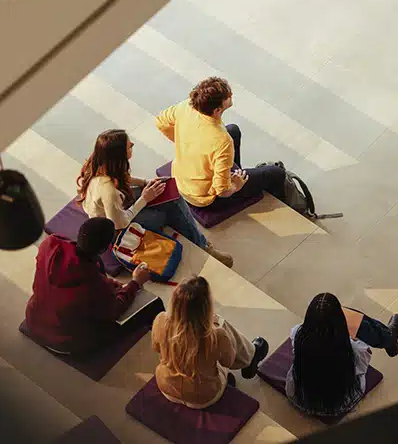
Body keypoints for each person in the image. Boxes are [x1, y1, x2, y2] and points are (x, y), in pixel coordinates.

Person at [77, 129, 233, 267]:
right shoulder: (108, 190)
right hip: (115, 229)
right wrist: (145, 198)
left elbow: (123, 177)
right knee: (164, 213)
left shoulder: (101, 164)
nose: (132, 144)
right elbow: (119, 224)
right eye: (128, 145)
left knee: (167, 191)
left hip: (115, 207)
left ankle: (198, 239)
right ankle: (203, 245)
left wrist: (145, 183)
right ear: (119, 155)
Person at [154, 76, 287, 210]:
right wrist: (236, 186)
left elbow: (160, 122)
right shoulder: (222, 141)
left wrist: (185, 143)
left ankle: (231, 170)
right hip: (203, 197)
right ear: (217, 110)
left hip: (180, 178)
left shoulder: (186, 106)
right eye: (228, 96)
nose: (231, 95)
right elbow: (222, 191)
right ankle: (283, 207)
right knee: (276, 173)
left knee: (233, 130)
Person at [24, 218, 152, 354]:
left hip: (33, 319)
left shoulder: (50, 244)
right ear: (103, 249)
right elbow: (115, 309)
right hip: (63, 341)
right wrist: (135, 282)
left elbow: (76, 271)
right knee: (141, 309)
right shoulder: (93, 287)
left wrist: (107, 283)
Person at [151, 276, 269, 409]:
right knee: (221, 325)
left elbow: (156, 347)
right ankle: (250, 357)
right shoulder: (216, 336)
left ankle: (249, 357)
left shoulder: (160, 320)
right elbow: (228, 362)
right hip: (203, 397)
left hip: (166, 386)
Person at [287, 292, 398, 419]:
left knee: (347, 317)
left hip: (298, 398)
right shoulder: (355, 350)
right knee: (354, 319)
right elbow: (362, 368)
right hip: (340, 405)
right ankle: (389, 339)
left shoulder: (297, 335)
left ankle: (388, 339)